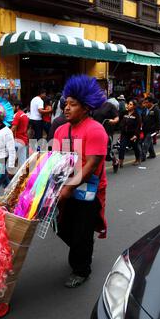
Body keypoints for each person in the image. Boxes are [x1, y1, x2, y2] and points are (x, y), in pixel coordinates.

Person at [53, 75, 108, 288]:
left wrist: (68, 188)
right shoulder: (60, 129)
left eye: (72, 104)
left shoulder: (95, 130)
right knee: (61, 228)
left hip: (88, 191)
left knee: (81, 232)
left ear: (85, 107)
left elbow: (91, 166)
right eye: (66, 103)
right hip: (66, 188)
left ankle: (81, 270)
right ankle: (83, 246)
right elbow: (55, 162)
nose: (66, 108)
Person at [119, 100, 141, 167]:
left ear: (134, 106)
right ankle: (121, 161)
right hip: (124, 134)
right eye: (128, 104)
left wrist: (135, 135)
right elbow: (120, 120)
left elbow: (138, 126)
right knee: (122, 147)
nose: (128, 105)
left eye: (130, 104)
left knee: (135, 147)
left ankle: (138, 159)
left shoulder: (137, 115)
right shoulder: (124, 113)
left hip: (133, 135)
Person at [141, 96, 160, 161]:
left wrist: (158, 129)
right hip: (145, 128)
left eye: (147, 103)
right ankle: (152, 154)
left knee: (146, 143)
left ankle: (142, 156)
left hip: (152, 129)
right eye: (145, 103)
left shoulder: (155, 109)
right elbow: (143, 117)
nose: (145, 104)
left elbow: (158, 120)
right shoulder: (145, 109)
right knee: (149, 142)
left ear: (151, 103)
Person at [11, 100, 29, 168]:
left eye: (13, 106)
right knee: (22, 161)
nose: (12, 108)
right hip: (24, 140)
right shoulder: (24, 115)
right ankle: (23, 176)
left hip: (17, 140)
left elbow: (13, 128)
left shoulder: (17, 115)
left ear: (17, 107)